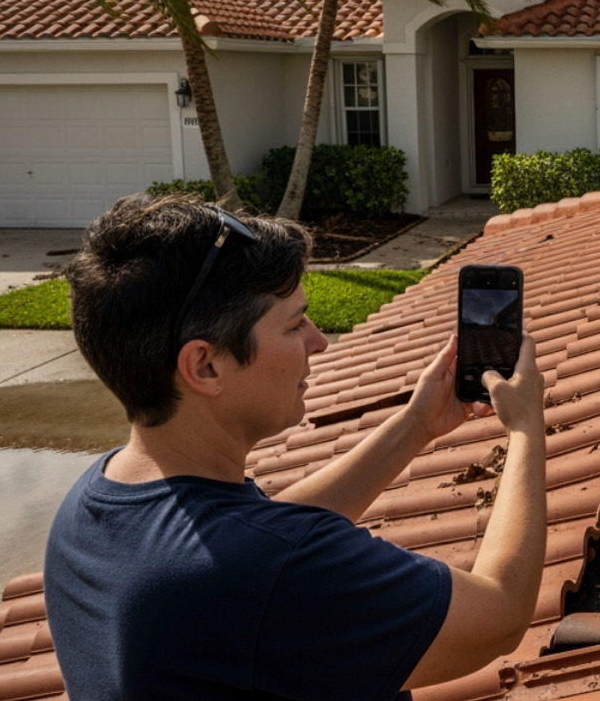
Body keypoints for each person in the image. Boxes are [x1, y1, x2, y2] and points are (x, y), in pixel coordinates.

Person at [44, 195, 546, 699]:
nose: (319, 341)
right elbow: (499, 616)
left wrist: (415, 425)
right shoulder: (267, 573)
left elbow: (260, 539)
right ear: (205, 366)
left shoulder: (89, 507)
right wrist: (525, 427)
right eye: (293, 325)